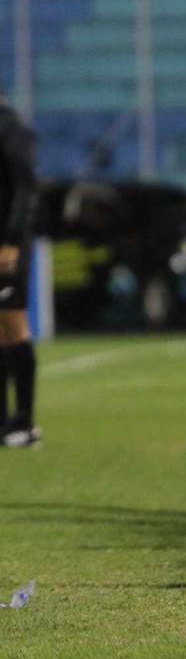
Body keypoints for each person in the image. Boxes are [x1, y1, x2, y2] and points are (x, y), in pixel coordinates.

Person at [0, 93, 39, 449]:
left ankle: (24, 423)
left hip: (6, 246)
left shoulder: (9, 125)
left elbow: (25, 189)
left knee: (12, 325)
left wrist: (11, 240)